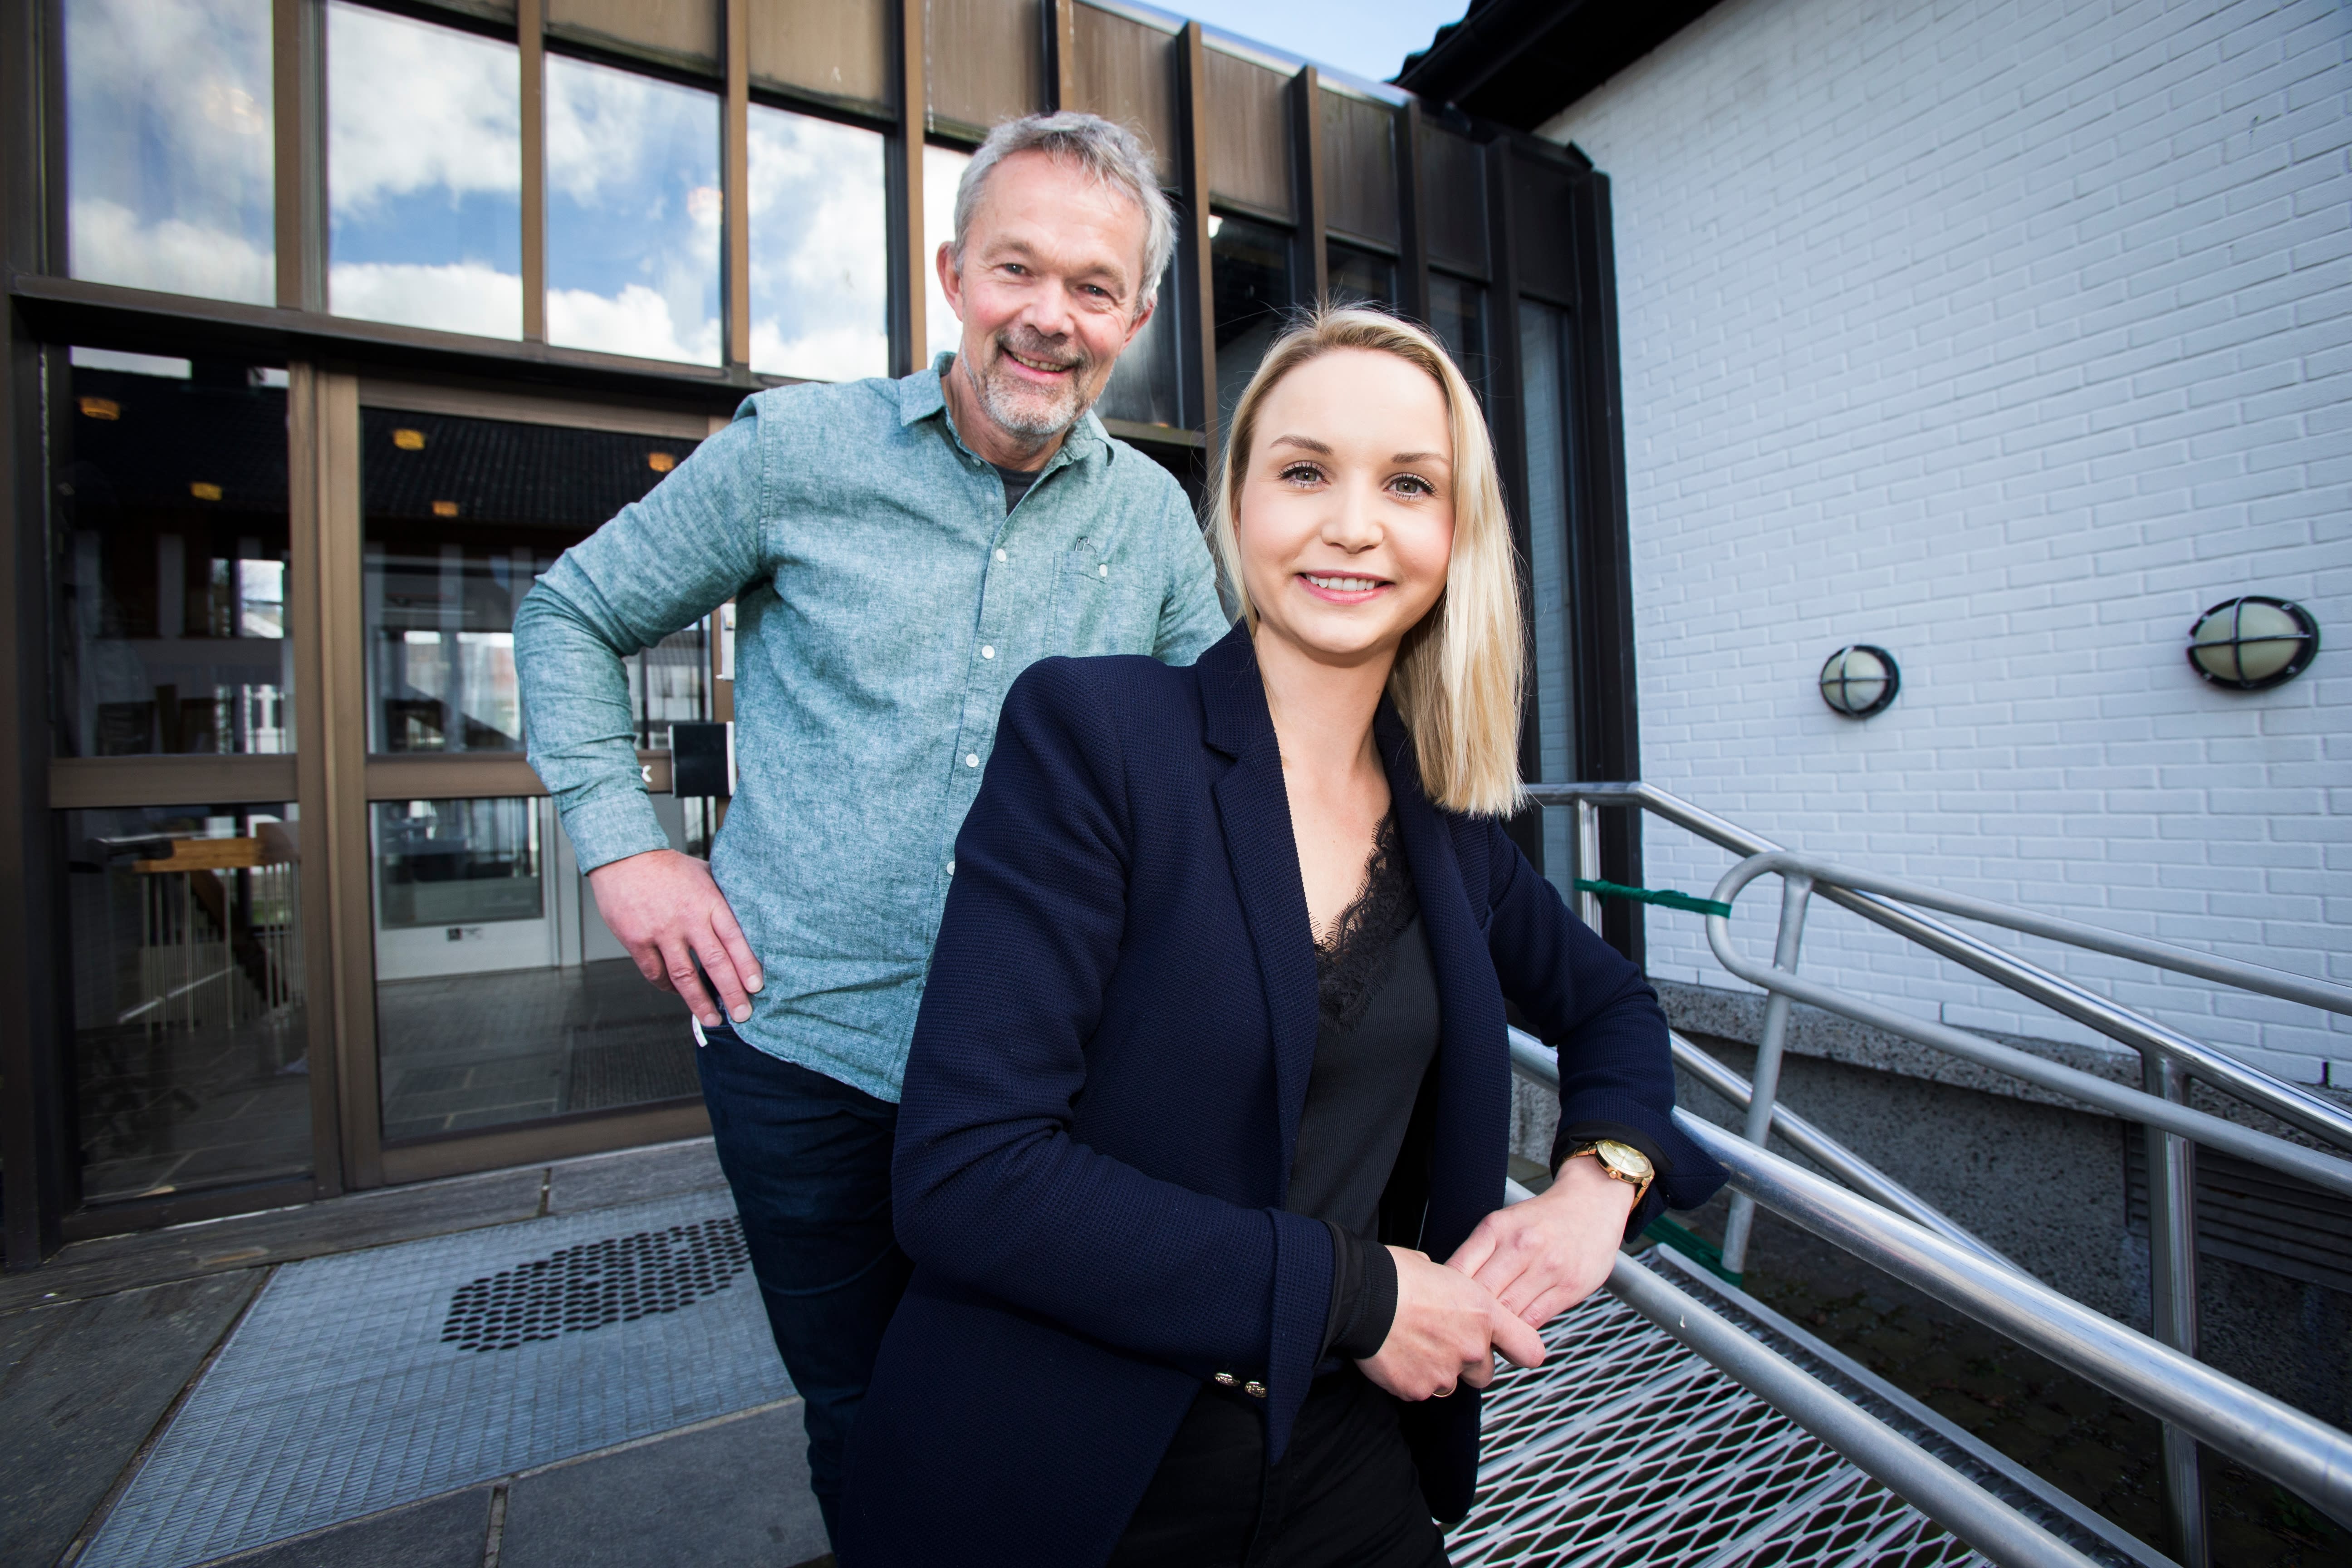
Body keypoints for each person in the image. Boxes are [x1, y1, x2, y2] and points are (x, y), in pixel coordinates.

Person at [837, 306, 1726, 1567]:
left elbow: (1611, 1005)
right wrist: (1359, 1294)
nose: (1353, 524)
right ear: (1238, 507)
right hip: (1069, 1466)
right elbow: (966, 1174)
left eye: (1409, 484)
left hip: (1342, 1453)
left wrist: (1601, 1181)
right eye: (1305, 472)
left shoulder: (1450, 824)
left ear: (1457, 534)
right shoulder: (1095, 737)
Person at [512, 113, 1230, 1545]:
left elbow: (1229, 763)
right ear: (954, 274)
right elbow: (569, 614)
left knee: (1033, 1404)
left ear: (1137, 319)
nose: (1051, 316)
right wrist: (626, 845)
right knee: (861, 1410)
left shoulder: (1153, 521)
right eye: (1018, 268)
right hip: (804, 1055)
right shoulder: (798, 451)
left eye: (1094, 287)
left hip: (1048, 1085)